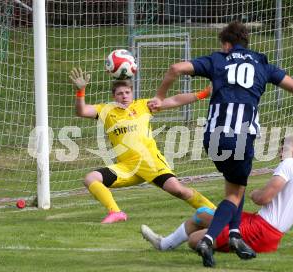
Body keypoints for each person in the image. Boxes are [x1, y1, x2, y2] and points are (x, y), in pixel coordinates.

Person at [149, 21, 293, 267]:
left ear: (227, 44)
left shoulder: (219, 59)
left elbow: (175, 68)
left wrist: (159, 97)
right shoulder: (262, 65)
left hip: (212, 136)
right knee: (235, 193)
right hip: (241, 136)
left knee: (234, 187)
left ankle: (236, 235)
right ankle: (209, 238)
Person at [140, 136, 293, 267]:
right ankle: (164, 244)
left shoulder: (290, 164)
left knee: (196, 239)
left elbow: (263, 198)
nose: (280, 152)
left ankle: (176, 244)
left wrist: (254, 193)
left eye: (284, 148)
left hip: (259, 230)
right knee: (203, 213)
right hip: (269, 234)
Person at [69, 68, 216, 224]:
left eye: (127, 92)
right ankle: (116, 212)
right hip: (128, 167)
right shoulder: (106, 110)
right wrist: (81, 92)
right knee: (91, 178)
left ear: (132, 93)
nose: (124, 96)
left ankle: (215, 212)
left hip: (150, 162)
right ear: (114, 96)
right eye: (120, 93)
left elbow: (174, 100)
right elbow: (82, 111)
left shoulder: (143, 105)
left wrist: (204, 93)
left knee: (178, 190)